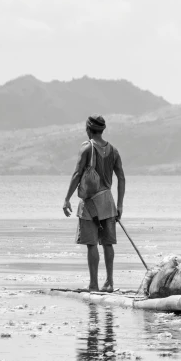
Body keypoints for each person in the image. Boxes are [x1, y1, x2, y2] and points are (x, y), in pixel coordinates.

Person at [63, 115, 125, 292]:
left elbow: (77, 175)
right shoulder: (113, 150)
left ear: (88, 129)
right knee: (108, 243)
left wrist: (67, 199)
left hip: (90, 203)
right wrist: (120, 205)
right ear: (103, 130)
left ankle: (94, 284)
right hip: (108, 202)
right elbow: (121, 177)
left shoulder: (86, 148)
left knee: (91, 244)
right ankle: (110, 282)